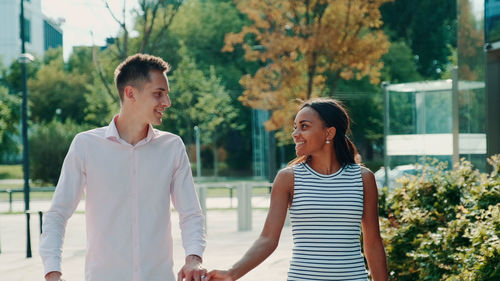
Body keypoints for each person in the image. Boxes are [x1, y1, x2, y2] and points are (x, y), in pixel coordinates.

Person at [40, 54, 207, 281]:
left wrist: (194, 258)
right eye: (158, 94)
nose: (167, 103)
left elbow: (190, 214)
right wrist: (52, 273)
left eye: (166, 94)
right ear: (131, 93)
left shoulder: (172, 147)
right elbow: (58, 214)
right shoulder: (86, 145)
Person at [207, 98, 388, 281]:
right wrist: (231, 273)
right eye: (295, 127)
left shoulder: (363, 178)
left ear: (329, 133)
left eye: (304, 126)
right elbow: (268, 239)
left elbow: (372, 242)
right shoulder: (288, 178)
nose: (295, 134)